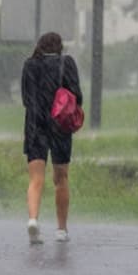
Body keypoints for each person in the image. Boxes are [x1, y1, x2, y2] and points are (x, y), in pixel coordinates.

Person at [20, 32, 82, 245]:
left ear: (39, 46)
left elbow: (26, 99)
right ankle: (61, 229)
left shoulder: (29, 65)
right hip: (60, 126)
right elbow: (77, 96)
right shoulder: (67, 63)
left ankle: (33, 220)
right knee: (61, 178)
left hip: (35, 126)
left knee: (36, 179)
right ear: (59, 47)